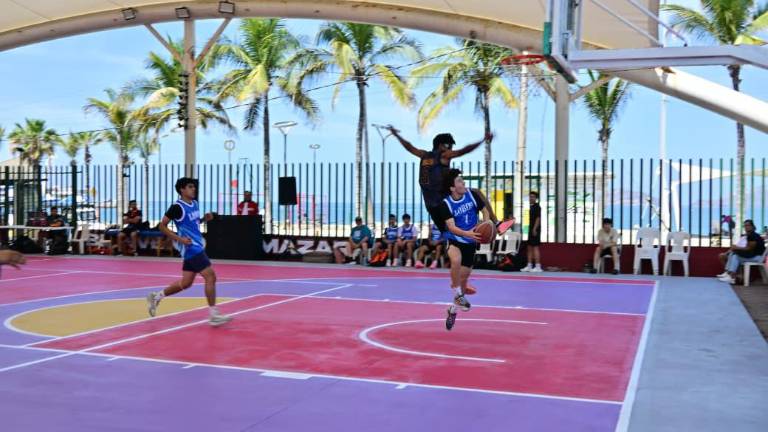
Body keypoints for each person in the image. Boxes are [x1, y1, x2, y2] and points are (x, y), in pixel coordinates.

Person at [146, 178, 232, 326]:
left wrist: (205, 219)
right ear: (182, 190)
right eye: (190, 187)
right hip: (192, 248)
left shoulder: (195, 204)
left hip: (195, 246)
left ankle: (156, 296)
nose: (194, 189)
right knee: (210, 276)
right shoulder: (177, 207)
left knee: (186, 283)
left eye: (194, 187)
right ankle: (213, 314)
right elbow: (162, 226)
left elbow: (193, 223)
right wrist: (179, 239)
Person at [386, 125, 499, 232]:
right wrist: (482, 140)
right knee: (476, 193)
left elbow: (409, 147)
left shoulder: (423, 155)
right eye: (448, 145)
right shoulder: (444, 156)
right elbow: (464, 150)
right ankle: (496, 223)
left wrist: (396, 135)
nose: (450, 148)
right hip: (446, 203)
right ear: (440, 145)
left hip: (431, 206)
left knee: (451, 237)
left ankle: (483, 226)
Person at [440, 169, 490, 331]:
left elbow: (484, 210)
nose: (463, 183)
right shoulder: (446, 204)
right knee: (455, 260)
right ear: (452, 188)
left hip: (471, 242)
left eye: (463, 181)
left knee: (462, 283)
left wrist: (486, 223)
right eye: (460, 181)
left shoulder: (472, 195)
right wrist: (467, 233)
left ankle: (453, 310)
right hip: (456, 239)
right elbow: (451, 227)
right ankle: (458, 293)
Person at [717, 219, 766, 284]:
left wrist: (736, 247)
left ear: (752, 226)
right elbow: (748, 249)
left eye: (748, 225)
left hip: (758, 257)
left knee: (736, 256)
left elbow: (749, 248)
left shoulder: (753, 236)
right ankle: (728, 274)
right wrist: (736, 249)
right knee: (734, 254)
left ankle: (732, 277)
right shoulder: (750, 235)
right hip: (754, 255)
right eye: (745, 226)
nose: (746, 227)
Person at [521, 191, 543, 272]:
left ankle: (538, 266)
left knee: (535, 248)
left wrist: (534, 229)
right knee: (529, 247)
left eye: (533, 197)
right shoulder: (531, 207)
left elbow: (538, 218)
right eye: (530, 197)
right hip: (531, 229)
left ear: (536, 198)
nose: (531, 198)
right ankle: (529, 265)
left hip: (535, 230)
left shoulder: (537, 207)